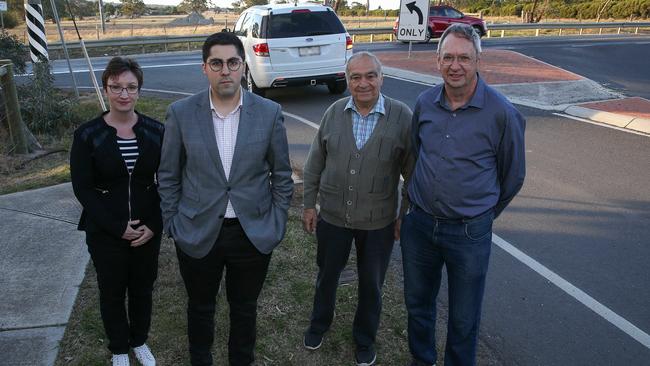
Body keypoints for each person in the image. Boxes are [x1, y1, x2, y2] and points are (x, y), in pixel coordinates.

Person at [157, 32, 293, 366]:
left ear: (243, 66)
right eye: (216, 63)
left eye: (233, 62)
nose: (225, 71)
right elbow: (169, 175)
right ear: (204, 68)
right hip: (197, 229)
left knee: (244, 309)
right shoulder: (181, 113)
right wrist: (173, 222)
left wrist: (275, 222)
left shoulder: (269, 112)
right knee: (200, 307)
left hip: (252, 232)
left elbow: (282, 175)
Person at [401, 23, 526, 366]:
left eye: (464, 58)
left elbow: (513, 175)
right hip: (420, 226)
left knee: (463, 318)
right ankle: (421, 360)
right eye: (449, 57)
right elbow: (415, 154)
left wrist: (483, 212)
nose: (455, 65)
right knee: (418, 305)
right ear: (437, 61)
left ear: (477, 61)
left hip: (469, 233)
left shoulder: (502, 113)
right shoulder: (425, 103)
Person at [301, 51, 414, 366]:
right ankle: (319, 323)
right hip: (333, 216)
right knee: (327, 275)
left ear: (381, 78)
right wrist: (310, 205)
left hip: (378, 222)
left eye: (370, 76)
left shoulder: (402, 116)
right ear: (347, 79)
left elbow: (413, 173)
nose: (363, 83)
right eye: (355, 77)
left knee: (371, 284)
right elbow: (314, 164)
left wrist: (403, 215)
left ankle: (364, 338)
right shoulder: (334, 112)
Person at [70, 57, 163, 366]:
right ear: (106, 89)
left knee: (142, 289)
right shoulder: (87, 135)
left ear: (139, 90)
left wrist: (153, 224)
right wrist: (116, 227)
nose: (124, 94)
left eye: (131, 87)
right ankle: (120, 349)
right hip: (106, 230)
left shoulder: (156, 131)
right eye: (116, 87)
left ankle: (139, 341)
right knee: (111, 292)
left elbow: (169, 182)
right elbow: (83, 188)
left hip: (147, 230)